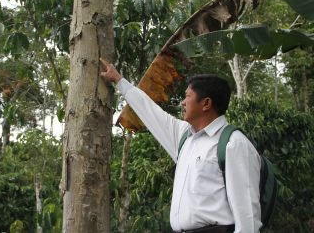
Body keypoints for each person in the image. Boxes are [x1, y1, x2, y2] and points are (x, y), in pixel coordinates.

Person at [99, 58, 262, 233]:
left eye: (188, 96)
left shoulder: (234, 144)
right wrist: (119, 81)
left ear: (206, 103)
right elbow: (150, 111)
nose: (182, 102)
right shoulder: (184, 137)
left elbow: (248, 219)